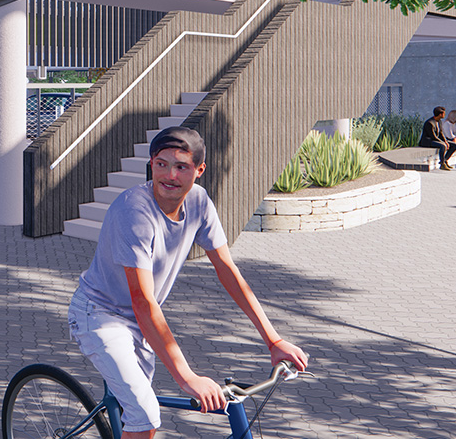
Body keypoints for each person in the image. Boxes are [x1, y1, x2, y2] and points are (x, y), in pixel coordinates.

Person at [69, 127, 308, 438]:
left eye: (181, 166)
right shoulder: (134, 212)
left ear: (199, 170)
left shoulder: (199, 202)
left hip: (141, 322)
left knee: (139, 411)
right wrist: (186, 378)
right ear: (151, 163)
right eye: (161, 164)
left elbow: (227, 271)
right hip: (99, 314)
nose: (169, 175)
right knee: (145, 414)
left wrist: (273, 340)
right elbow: (143, 301)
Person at [419, 106, 456, 171]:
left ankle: (444, 161)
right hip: (428, 141)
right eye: (444, 114)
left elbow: (441, 133)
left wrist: (446, 141)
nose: (445, 115)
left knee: (455, 145)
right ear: (440, 114)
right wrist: (443, 143)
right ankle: (442, 164)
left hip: (435, 140)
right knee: (443, 146)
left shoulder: (439, 121)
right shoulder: (430, 123)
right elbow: (433, 136)